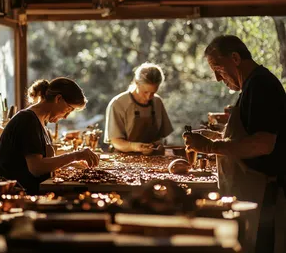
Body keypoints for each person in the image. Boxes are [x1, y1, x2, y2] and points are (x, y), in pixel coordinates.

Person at [183, 35, 286, 253]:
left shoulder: (261, 85)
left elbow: (262, 144)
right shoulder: (251, 85)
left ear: (235, 58)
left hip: (264, 193)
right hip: (253, 190)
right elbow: (247, 135)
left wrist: (211, 147)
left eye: (217, 68)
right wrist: (213, 137)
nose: (218, 78)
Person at [0, 77, 100, 195]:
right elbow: (37, 168)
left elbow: (43, 162)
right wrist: (75, 155)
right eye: (68, 109)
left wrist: (70, 163)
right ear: (58, 99)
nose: (66, 116)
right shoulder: (27, 120)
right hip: (17, 196)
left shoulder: (40, 121)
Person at [104, 62, 174, 154]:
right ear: (136, 83)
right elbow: (115, 141)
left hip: (153, 158)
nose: (149, 97)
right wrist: (135, 147)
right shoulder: (118, 103)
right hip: (124, 159)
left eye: (153, 92)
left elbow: (162, 137)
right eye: (145, 92)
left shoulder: (157, 102)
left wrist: (157, 145)